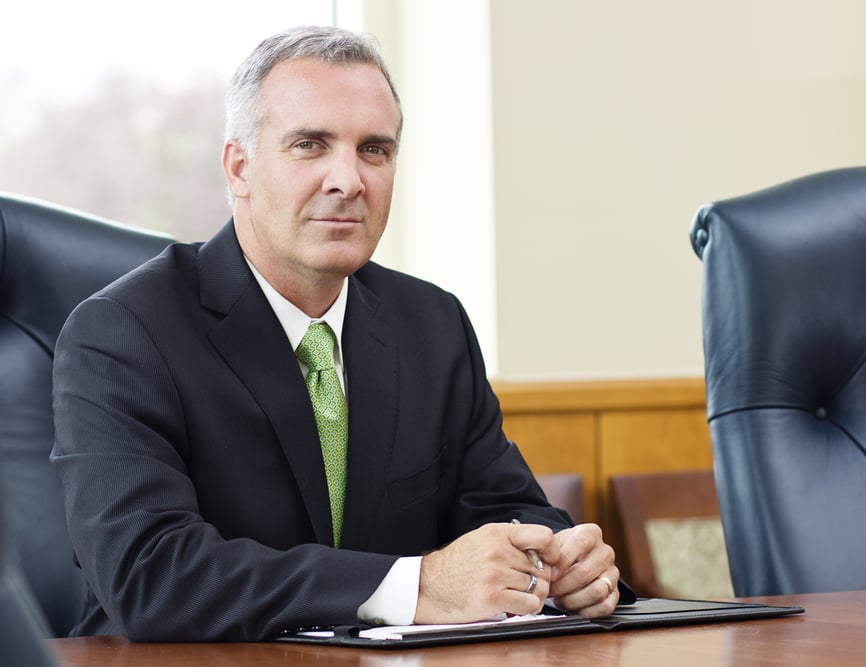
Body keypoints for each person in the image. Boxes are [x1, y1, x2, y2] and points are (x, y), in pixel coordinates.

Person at [51, 25, 628, 642]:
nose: (349, 181)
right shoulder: (123, 333)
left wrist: (559, 563)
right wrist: (416, 587)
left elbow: (503, 507)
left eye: (374, 150)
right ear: (239, 167)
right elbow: (151, 575)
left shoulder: (432, 324)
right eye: (310, 145)